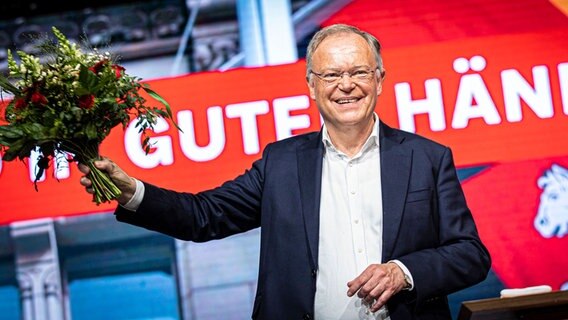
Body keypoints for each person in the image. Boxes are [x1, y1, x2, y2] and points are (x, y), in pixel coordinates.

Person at [79, 24, 491, 320]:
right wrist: (132, 190)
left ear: (379, 80)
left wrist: (403, 272)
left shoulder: (427, 158)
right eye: (330, 74)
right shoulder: (281, 164)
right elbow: (202, 216)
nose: (345, 85)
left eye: (358, 72)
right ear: (311, 86)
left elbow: (470, 255)